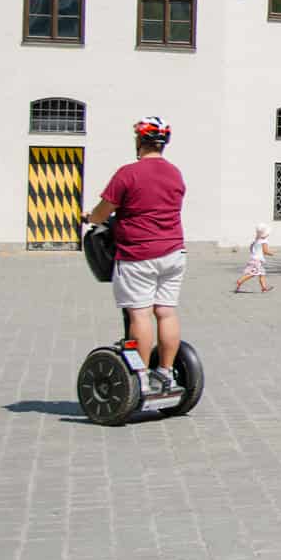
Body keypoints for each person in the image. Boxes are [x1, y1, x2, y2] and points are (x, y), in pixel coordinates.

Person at [86, 117, 186, 394]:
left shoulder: (128, 173)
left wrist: (90, 217)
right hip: (174, 252)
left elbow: (103, 212)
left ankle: (140, 378)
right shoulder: (175, 173)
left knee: (139, 315)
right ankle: (166, 374)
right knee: (166, 312)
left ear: (139, 142)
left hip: (137, 254)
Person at [234, 223, 273, 294]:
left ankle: (264, 288)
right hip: (257, 260)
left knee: (262, 274)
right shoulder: (264, 241)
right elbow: (265, 251)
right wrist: (271, 253)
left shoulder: (256, 240)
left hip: (253, 259)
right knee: (253, 273)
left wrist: (254, 253)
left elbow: (251, 248)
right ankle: (240, 281)